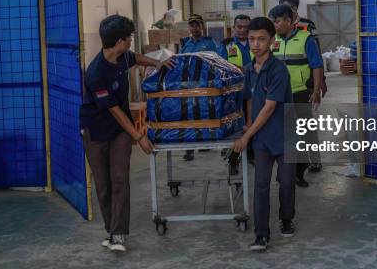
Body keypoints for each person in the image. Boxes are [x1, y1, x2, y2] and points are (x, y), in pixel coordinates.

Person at [80, 14, 174, 252]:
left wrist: (156, 63)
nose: (131, 41)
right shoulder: (95, 73)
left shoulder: (122, 57)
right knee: (103, 185)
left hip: (120, 131)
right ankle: (111, 230)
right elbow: (114, 112)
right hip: (97, 130)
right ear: (120, 41)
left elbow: (135, 59)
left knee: (120, 179)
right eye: (129, 37)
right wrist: (139, 136)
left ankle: (118, 234)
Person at [232, 16, 296, 252]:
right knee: (260, 185)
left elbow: (269, 107)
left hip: (284, 133)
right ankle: (261, 235)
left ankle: (286, 217)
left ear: (271, 41)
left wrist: (246, 137)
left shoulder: (279, 70)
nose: (256, 44)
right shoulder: (249, 70)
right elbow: (249, 99)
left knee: (286, 182)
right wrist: (248, 124)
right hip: (262, 138)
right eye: (252, 39)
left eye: (261, 39)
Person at [268, 4, 324, 188]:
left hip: (300, 92)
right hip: (278, 94)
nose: (275, 25)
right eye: (273, 22)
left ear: (289, 21)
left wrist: (316, 90)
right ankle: (291, 171)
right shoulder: (271, 40)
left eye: (277, 21)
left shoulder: (305, 38)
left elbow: (316, 65)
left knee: (305, 130)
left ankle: (308, 163)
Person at [279, 0, 326, 173]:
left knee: (306, 125)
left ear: (295, 9)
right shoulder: (277, 29)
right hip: (283, 89)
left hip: (302, 85)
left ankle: (314, 159)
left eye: (288, 8)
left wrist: (320, 83)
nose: (285, 12)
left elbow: (317, 56)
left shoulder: (307, 27)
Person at [218, 15, 254, 174]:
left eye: (246, 27)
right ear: (233, 28)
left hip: (255, 92)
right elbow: (219, 65)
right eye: (239, 27)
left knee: (253, 123)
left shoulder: (257, 41)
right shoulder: (226, 45)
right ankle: (233, 160)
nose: (243, 30)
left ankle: (252, 154)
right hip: (234, 95)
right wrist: (242, 68)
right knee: (235, 128)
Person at [179, 13, 217, 161]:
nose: (195, 28)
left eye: (197, 25)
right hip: (188, 83)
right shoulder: (185, 44)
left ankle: (203, 141)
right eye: (192, 25)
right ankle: (189, 149)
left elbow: (215, 61)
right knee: (188, 114)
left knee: (202, 112)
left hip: (204, 82)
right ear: (189, 27)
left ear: (202, 26)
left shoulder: (209, 43)